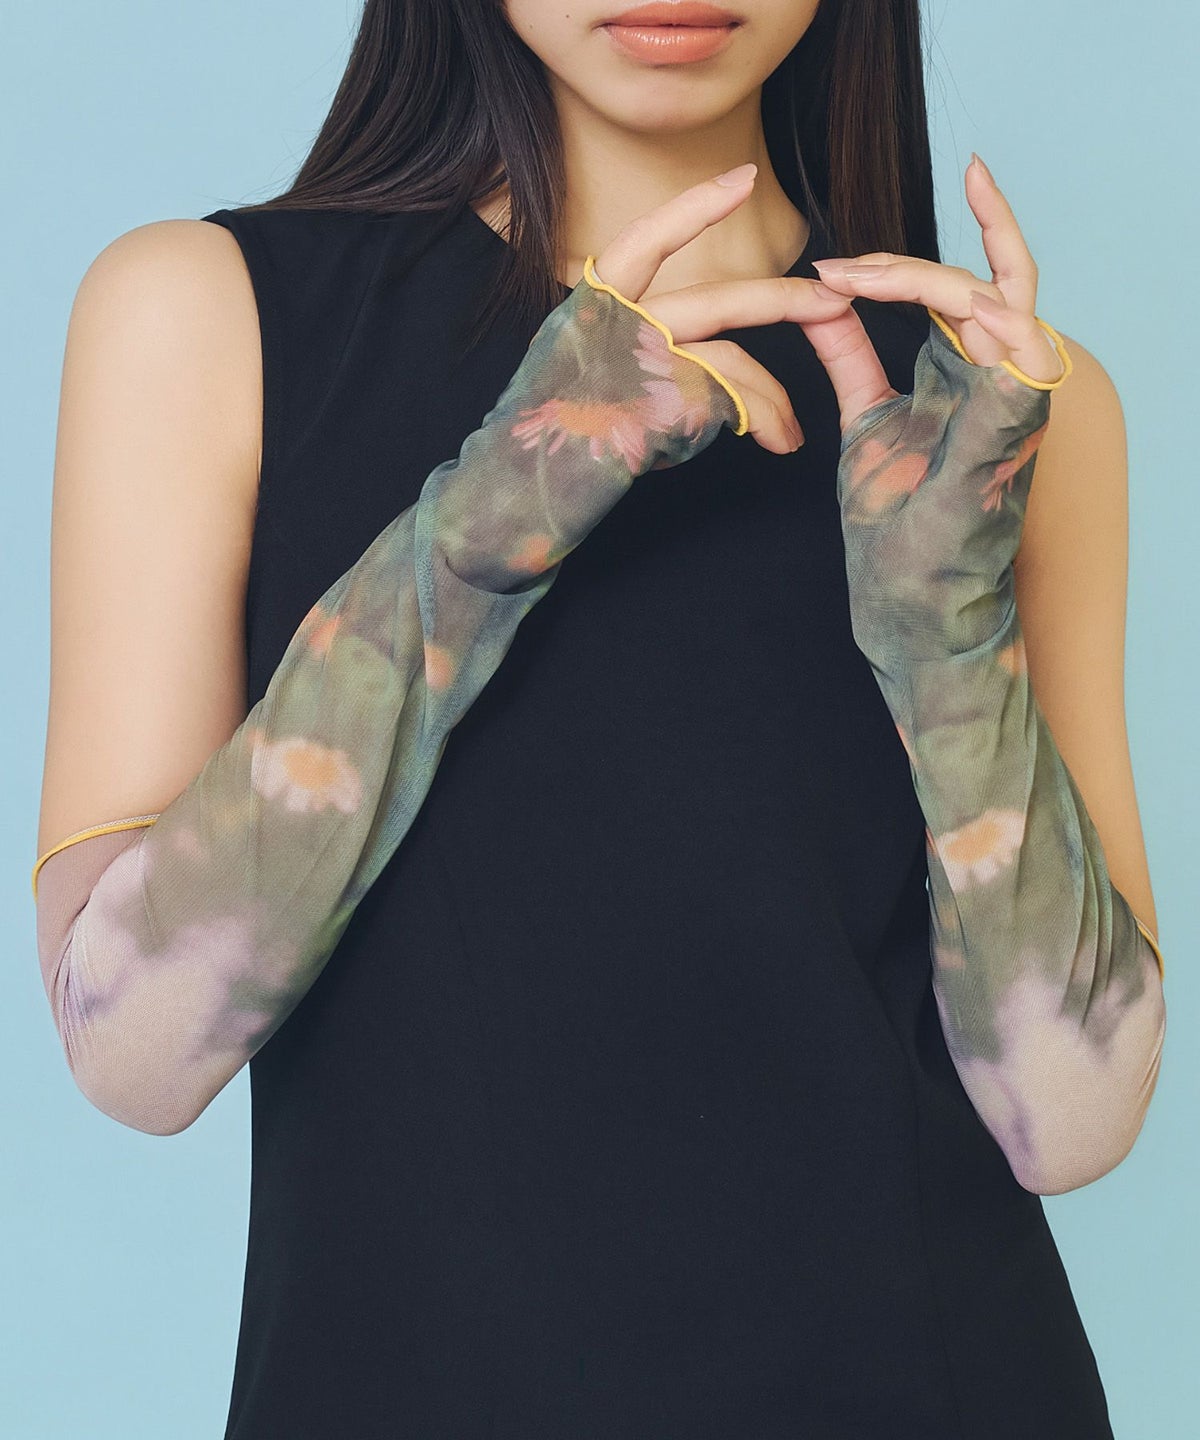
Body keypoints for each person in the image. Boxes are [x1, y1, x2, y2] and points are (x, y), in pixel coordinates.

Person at [32, 2, 1166, 1435]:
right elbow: (137, 1053)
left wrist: (946, 634)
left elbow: (1074, 1123)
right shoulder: (208, 312)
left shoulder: (994, 398)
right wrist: (489, 524)